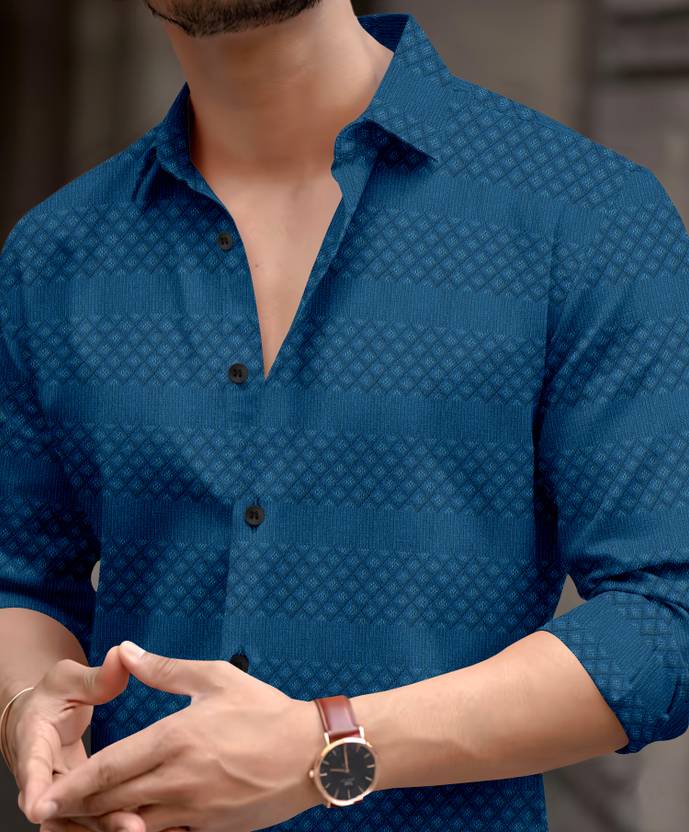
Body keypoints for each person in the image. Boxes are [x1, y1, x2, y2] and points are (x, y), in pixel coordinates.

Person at [0, 1, 688, 831]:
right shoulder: (52, 257)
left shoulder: (587, 219)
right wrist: (26, 710)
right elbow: (21, 577)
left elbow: (664, 615)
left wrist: (325, 745)